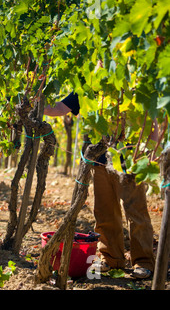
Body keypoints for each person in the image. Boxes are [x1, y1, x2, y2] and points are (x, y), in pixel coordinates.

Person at [44, 92, 156, 279]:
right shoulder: (87, 86)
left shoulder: (131, 82)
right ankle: (111, 259)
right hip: (100, 160)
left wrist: (150, 149)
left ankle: (143, 262)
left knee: (135, 212)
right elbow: (59, 109)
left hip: (130, 160)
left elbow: (149, 117)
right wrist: (36, 104)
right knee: (104, 212)